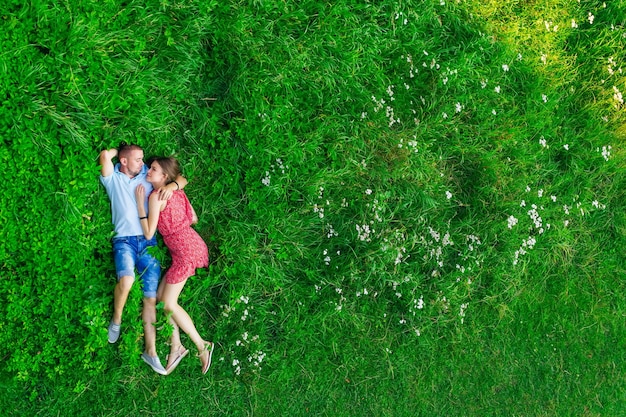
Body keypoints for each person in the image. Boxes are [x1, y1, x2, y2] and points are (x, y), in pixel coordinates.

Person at [99, 144, 188, 375]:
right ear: (125, 162)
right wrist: (119, 153)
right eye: (138, 159)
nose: (144, 163)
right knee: (127, 281)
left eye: (144, 160)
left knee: (150, 299)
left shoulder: (147, 175)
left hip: (149, 243)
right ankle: (116, 319)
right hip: (125, 242)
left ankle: (151, 351)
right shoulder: (113, 180)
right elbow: (104, 157)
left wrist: (172, 186)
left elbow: (181, 177)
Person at [134, 156, 214, 375]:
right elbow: (194, 218)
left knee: (169, 304)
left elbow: (149, 232)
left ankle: (201, 345)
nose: (149, 171)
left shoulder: (155, 197)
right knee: (161, 299)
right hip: (192, 244)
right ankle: (176, 346)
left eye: (154, 169)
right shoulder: (175, 191)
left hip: (185, 251)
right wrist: (173, 186)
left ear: (164, 176)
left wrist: (141, 206)